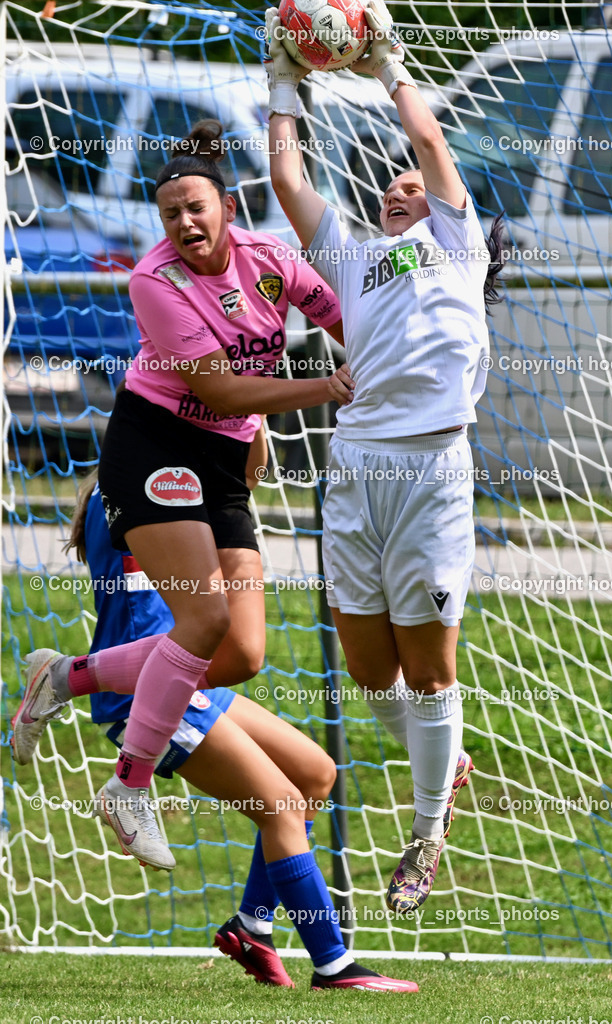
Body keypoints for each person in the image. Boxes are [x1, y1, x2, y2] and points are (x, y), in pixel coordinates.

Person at [11, 117, 354, 874]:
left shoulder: (274, 260)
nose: (184, 223)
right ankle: (130, 787)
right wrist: (325, 387)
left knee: (240, 652)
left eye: (196, 207)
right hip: (155, 447)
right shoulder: (154, 280)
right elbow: (217, 386)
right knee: (201, 620)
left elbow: (344, 315)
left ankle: (65, 676)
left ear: (227, 206)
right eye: (170, 214)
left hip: (226, 454)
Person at [266, 1, 503, 914]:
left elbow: (427, 136)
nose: (399, 190)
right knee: (370, 671)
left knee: (430, 668)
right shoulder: (354, 261)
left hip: (432, 470)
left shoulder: (455, 242)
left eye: (413, 186)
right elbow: (287, 174)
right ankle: (444, 755)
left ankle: (426, 829)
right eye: (391, 189)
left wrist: (385, 59)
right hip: (356, 469)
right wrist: (282, 76)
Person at [12, 469, 419, 992]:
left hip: (185, 675)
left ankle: (253, 928)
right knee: (280, 807)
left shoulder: (157, 477)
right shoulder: (145, 484)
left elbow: (245, 469)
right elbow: (245, 468)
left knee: (315, 772)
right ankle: (333, 965)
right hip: (149, 690)